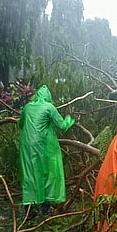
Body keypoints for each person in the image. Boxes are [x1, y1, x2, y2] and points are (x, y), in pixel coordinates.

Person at [18, 85, 75, 217]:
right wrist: (69, 119)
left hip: (26, 145)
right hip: (42, 145)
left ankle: (28, 209)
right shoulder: (49, 107)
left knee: (29, 173)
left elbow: (20, 124)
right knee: (48, 172)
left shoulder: (27, 107)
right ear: (48, 96)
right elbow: (62, 126)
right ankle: (45, 208)